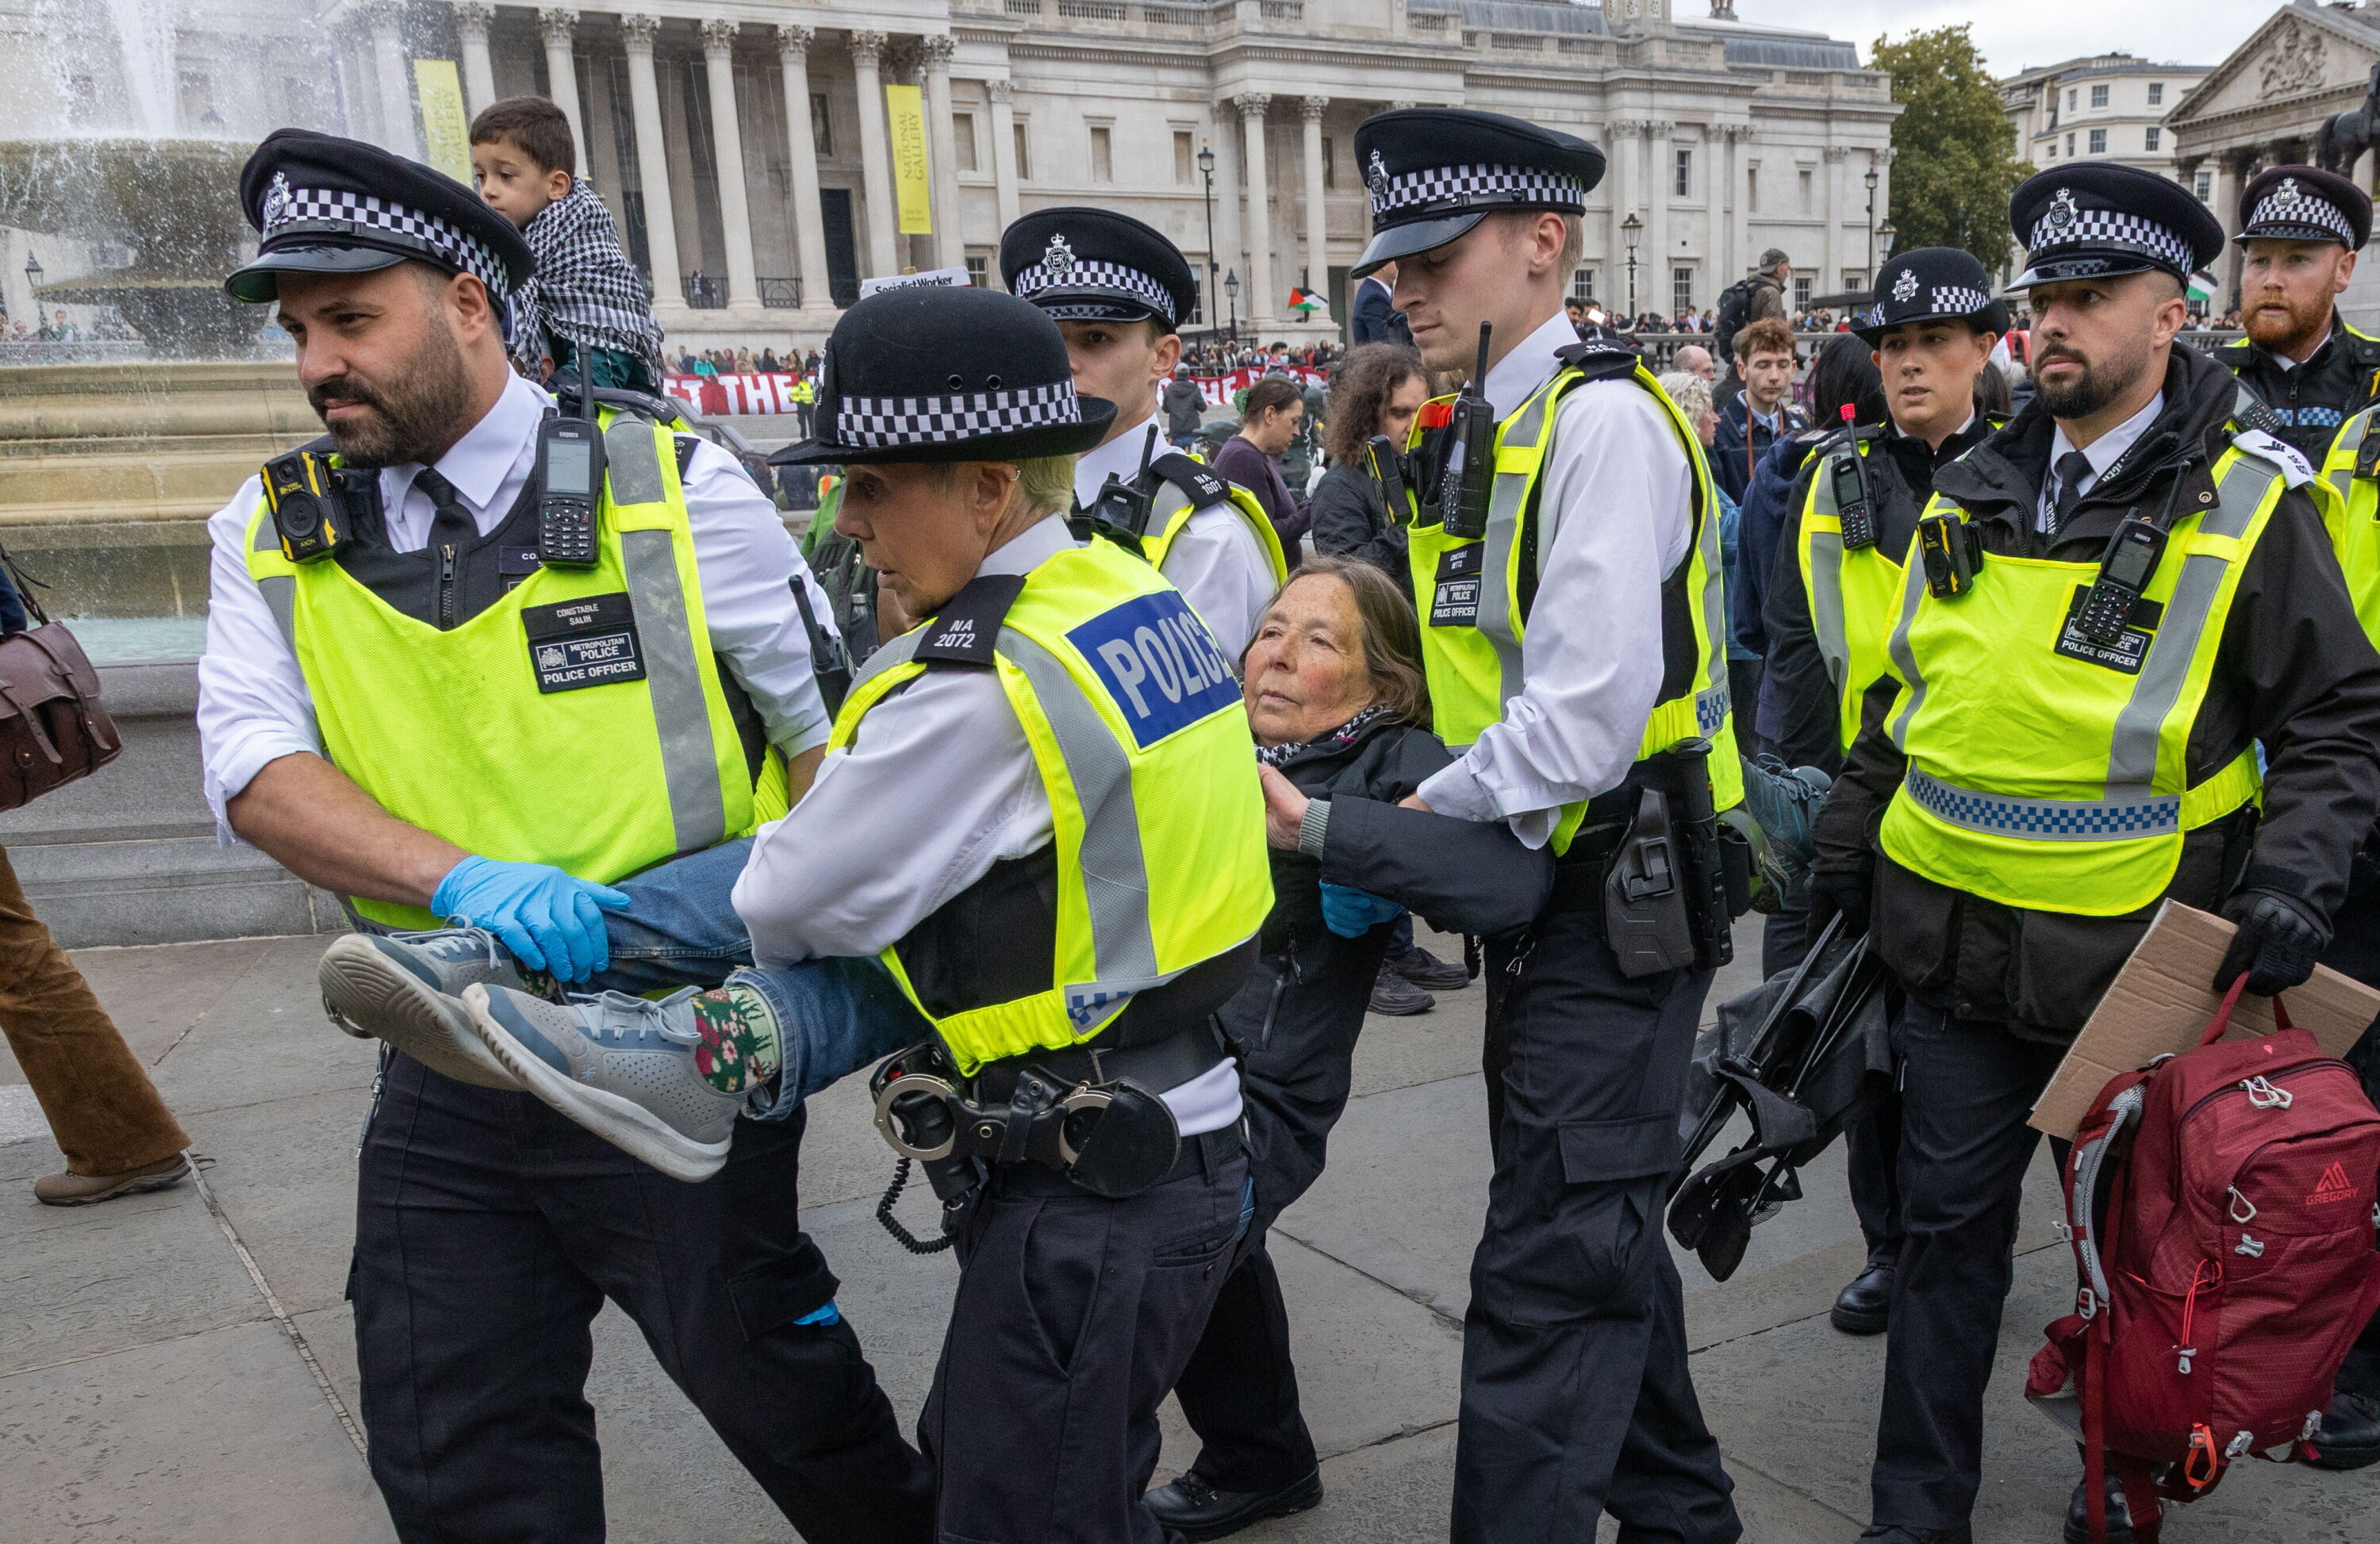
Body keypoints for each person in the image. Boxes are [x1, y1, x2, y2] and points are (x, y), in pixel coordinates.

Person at [199, 129, 931, 1544]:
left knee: (782, 1391)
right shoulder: (267, 530)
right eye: (298, 332)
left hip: (668, 1049)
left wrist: (812, 967)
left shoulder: (677, 482)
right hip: (447, 1049)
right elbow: (250, 769)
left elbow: (835, 746)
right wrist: (457, 880)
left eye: (351, 320)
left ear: (469, 302)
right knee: (451, 1433)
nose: (315, 366)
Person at [470, 284, 1272, 1544]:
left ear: (988, 491)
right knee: (1024, 1481)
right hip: (1166, 1125)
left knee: (1020, 1514)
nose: (846, 523)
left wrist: (890, 684)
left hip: (1091, 1180)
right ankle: (610, 1000)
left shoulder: (982, 678)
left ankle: (637, 1011)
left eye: (872, 487)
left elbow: (788, 898)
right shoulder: (1123, 589)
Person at [1809, 163, 2380, 1544]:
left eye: (2087, 298)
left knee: (2138, 1268)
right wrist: (1846, 830)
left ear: (2173, 314)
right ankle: (1914, 1519)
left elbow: (2339, 714)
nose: (2051, 324)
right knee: (1942, 1256)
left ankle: (2118, 1505)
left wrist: (2297, 875)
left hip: (2143, 969)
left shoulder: (2252, 503)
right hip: (1952, 956)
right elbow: (1920, 694)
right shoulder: (1976, 482)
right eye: (2042, 300)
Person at [1356, 106, 1743, 1544]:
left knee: (1544, 1267)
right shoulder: (1490, 427)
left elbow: (1580, 721)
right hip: (1552, 884)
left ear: (1542, 244)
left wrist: (1413, 805)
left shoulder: (1603, 427)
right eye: (1394, 260)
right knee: (1589, 1232)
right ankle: (1689, 1518)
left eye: (1435, 256)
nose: (1405, 285)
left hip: (1617, 879)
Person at [1145, 558, 1553, 1540]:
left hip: (1260, 1105)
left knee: (1133, 1285)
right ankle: (1262, 1456)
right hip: (1151, 1074)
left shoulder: (1398, 762)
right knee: (1210, 1262)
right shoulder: (1207, 739)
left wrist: (1323, 829)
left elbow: (1508, 883)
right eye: (1271, 628)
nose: (1277, 656)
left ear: (1385, 685)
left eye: (1320, 640)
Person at [1756, 249, 2007, 1346]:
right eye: (1894, 347)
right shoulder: (1835, 475)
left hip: (1982, 806)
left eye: (1932, 346)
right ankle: (1887, 1246)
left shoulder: (2027, 473)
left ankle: (1963, 1247)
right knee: (1864, 1047)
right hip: (1866, 799)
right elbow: (1793, 645)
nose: (1908, 364)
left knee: (1975, 1060)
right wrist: (1805, 804)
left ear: (1983, 350)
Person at [1001, 208, 1286, 657]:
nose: (1064, 364)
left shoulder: (1206, 538)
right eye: (1047, 341)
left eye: (1095, 338)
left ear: (1163, 357)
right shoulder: (997, 499)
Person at [1303, 342, 1472, 1016]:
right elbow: (1346, 578)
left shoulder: (1419, 469)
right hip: (1365, 674)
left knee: (1405, 811)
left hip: (1420, 668)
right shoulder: (1343, 484)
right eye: (1398, 413)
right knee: (1361, 815)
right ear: (1368, 412)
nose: (1410, 424)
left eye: (1417, 410)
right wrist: (1409, 532)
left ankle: (1394, 941)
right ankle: (1361, 961)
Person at [467, 97, 665, 394]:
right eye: (481, 177)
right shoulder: (516, 256)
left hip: (601, 427)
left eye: (505, 176)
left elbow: (602, 367)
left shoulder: (590, 258)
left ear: (557, 185)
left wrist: (534, 402)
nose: (488, 191)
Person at [2217, 165, 2380, 464]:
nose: (2271, 279)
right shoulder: (2203, 381)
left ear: (2343, 270)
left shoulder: (2376, 376)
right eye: (2260, 260)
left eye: (2297, 259)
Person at [1212, 376, 1311, 570]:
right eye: (1294, 421)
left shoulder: (1255, 454)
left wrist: (1311, 504)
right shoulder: (1243, 459)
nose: (1297, 431)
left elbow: (1277, 516)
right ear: (1270, 414)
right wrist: (1312, 511)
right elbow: (1267, 535)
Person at [1711, 316, 1805, 504]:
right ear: (1742, 370)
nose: (1774, 376)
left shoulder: (1802, 429)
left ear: (1793, 369)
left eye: (1783, 365)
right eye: (1763, 365)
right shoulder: (1718, 434)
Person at [1162, 363, 1207, 448]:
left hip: (1176, 432)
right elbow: (1203, 408)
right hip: (1193, 431)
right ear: (1188, 375)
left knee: (1178, 460)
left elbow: (1165, 409)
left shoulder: (1169, 390)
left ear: (1176, 374)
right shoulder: (1194, 389)